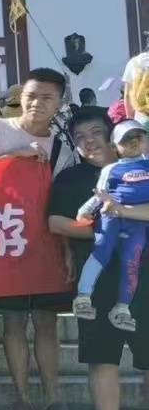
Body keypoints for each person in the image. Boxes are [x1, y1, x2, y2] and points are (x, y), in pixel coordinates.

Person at [0, 67, 76, 410]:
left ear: (60, 103)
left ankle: (55, 399)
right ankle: (21, 398)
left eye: (47, 97)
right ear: (19, 96)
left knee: (46, 322)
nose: (37, 103)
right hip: (3, 242)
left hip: (47, 243)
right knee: (13, 322)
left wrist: (68, 250)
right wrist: (14, 158)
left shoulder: (65, 147)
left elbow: (63, 202)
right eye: (31, 95)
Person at [44, 108, 143, 410]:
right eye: (80, 137)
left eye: (95, 133)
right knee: (102, 355)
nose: (88, 142)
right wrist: (105, 231)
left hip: (143, 273)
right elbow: (56, 222)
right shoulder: (70, 179)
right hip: (98, 278)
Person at [72, 120, 149, 331]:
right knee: (101, 251)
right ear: (115, 147)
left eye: (138, 137)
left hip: (138, 224)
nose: (133, 142)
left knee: (132, 261)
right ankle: (83, 298)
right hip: (110, 218)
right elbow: (100, 194)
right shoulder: (111, 169)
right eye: (127, 139)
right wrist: (85, 211)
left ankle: (122, 308)